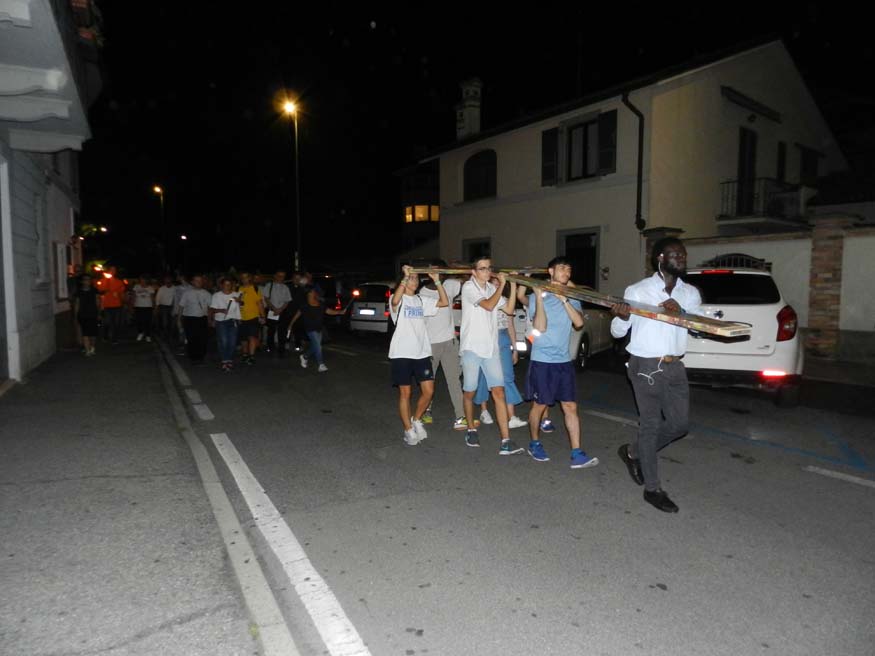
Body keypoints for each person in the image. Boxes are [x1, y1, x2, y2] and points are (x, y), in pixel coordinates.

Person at [610, 237, 700, 513]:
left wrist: (682, 312)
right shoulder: (638, 290)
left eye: (683, 255)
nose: (682, 258)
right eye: (675, 254)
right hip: (645, 365)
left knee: (679, 425)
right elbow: (617, 332)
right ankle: (653, 489)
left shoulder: (690, 293)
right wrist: (622, 317)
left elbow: (698, 328)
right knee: (650, 425)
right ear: (660, 258)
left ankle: (633, 452)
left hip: (675, 366)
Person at [524, 257, 599, 469]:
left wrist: (564, 299)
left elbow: (579, 323)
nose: (566, 272)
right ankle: (534, 443)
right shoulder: (536, 297)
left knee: (570, 406)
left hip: (564, 361)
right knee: (540, 405)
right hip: (542, 361)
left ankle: (577, 453)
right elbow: (540, 327)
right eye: (562, 268)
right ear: (551, 271)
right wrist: (540, 298)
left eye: (569, 269)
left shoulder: (571, 297)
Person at [459, 258, 525, 456]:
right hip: (472, 348)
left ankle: (506, 440)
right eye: (482, 268)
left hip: (491, 349)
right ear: (474, 272)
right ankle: (471, 429)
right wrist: (502, 285)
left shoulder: (491, 288)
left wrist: (513, 285)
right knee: (469, 392)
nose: (487, 271)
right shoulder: (468, 288)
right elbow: (488, 305)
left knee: (499, 392)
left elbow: (509, 310)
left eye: (489, 268)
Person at [388, 265, 447, 445]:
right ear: (403, 280)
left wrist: (437, 280)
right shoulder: (397, 298)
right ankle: (408, 430)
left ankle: (416, 419)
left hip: (422, 352)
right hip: (402, 353)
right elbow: (395, 301)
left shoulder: (421, 299)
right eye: (411, 278)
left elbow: (444, 302)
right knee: (405, 393)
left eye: (415, 278)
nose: (414, 281)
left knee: (429, 391)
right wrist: (406, 276)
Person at [472, 280, 528, 430]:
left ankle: (512, 417)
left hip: (502, 338)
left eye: (499, 283)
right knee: (484, 376)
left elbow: (510, 325)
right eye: (494, 283)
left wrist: (515, 349)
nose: (497, 285)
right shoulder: (483, 299)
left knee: (507, 376)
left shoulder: (505, 301)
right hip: (486, 338)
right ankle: (484, 410)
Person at [418, 273, 468, 431]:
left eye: (441, 272)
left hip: (449, 342)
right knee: (428, 381)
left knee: (454, 380)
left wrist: (459, 269)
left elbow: (467, 280)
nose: (438, 275)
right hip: (430, 344)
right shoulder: (423, 294)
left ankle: (460, 416)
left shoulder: (450, 285)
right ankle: (426, 411)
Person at [291, 284, 345, 372]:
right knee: (318, 347)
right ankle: (321, 365)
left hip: (319, 328)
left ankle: (304, 356)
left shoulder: (320, 304)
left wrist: (340, 312)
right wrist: (290, 325)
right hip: (310, 329)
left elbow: (329, 311)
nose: (315, 293)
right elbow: (297, 315)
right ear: (309, 293)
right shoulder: (304, 305)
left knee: (315, 346)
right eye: (313, 291)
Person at [178, 274, 212, 365]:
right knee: (191, 338)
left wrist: (209, 320)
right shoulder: (187, 293)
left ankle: (201, 357)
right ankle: (193, 357)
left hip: (202, 319)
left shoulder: (207, 293)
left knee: (202, 338)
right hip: (189, 319)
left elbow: (210, 308)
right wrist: (179, 319)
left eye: (200, 281)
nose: (199, 282)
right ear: (192, 282)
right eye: (196, 281)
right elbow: (181, 306)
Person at [209, 277, 242, 372]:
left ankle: (229, 360)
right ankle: (224, 360)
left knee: (232, 342)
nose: (227, 286)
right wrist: (221, 310)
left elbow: (242, 305)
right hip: (221, 321)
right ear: (221, 285)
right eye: (225, 284)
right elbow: (212, 309)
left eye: (229, 284)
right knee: (224, 341)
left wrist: (239, 301)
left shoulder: (236, 294)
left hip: (233, 321)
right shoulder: (216, 295)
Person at [262, 269, 293, 357]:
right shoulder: (269, 285)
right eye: (279, 276)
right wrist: (274, 308)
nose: (281, 278)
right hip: (272, 311)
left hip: (282, 312)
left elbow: (287, 300)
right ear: (275, 276)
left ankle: (281, 349)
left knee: (282, 331)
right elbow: (266, 298)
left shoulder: (285, 287)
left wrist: (280, 309)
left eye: (283, 276)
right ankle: (270, 347)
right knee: (271, 330)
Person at [237, 272, 265, 365]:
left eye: (246, 277)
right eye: (242, 277)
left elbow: (260, 303)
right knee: (243, 338)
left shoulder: (255, 288)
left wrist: (262, 316)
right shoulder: (238, 289)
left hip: (253, 317)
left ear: (249, 278)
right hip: (241, 317)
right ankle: (245, 354)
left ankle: (252, 356)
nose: (244, 279)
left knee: (252, 336)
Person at [96, 266, 126, 344]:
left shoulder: (119, 282)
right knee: (107, 322)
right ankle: (105, 336)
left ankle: (114, 338)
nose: (113, 271)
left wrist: (122, 300)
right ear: (108, 271)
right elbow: (100, 291)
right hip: (107, 306)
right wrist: (106, 285)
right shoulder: (102, 281)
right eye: (111, 270)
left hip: (117, 305)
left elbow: (122, 293)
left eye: (114, 270)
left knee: (116, 323)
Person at [74, 274, 99, 357]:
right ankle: (87, 350)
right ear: (82, 281)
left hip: (93, 314)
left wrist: (99, 313)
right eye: (85, 280)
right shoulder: (79, 292)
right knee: (85, 333)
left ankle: (92, 347)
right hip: (82, 315)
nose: (87, 281)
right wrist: (76, 315)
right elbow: (77, 304)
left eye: (88, 279)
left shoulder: (94, 290)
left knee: (93, 334)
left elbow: (98, 302)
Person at [131, 275, 155, 342]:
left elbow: (152, 298)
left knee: (148, 321)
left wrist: (154, 307)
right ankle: (140, 333)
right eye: (141, 279)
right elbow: (133, 296)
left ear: (146, 280)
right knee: (139, 321)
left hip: (148, 307)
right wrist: (132, 305)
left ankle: (148, 335)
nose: (142, 281)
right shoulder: (136, 286)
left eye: (144, 279)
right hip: (138, 306)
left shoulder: (150, 288)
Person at [154, 276, 176, 340]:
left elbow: (176, 298)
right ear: (165, 282)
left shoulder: (175, 288)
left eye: (169, 282)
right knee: (165, 323)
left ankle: (171, 335)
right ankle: (165, 335)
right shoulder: (161, 288)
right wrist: (156, 308)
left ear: (171, 281)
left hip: (172, 307)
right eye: (166, 282)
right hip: (163, 307)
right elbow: (157, 298)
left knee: (172, 323)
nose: (168, 283)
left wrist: (175, 307)